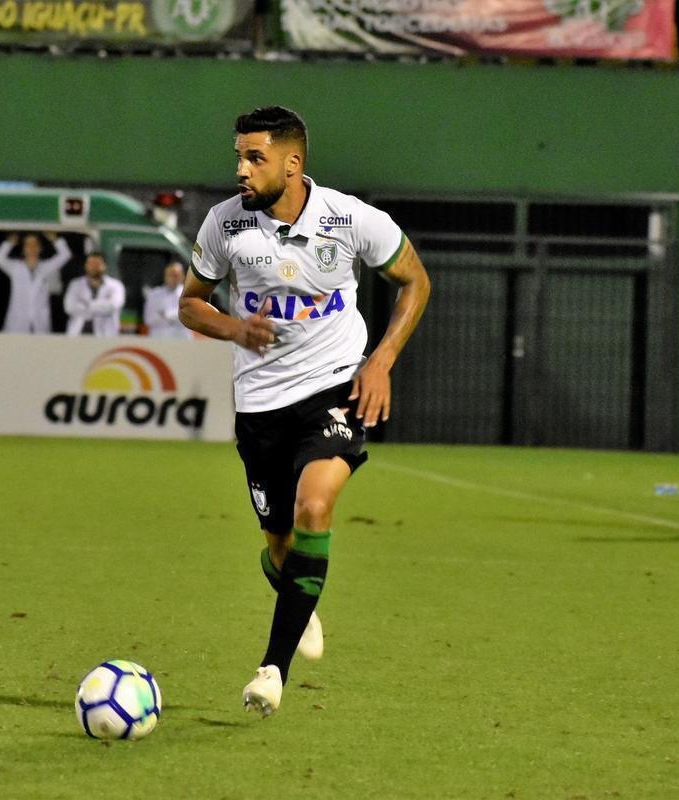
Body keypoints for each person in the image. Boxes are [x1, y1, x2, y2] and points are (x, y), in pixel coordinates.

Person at [179, 106, 431, 717]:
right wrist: (236, 329)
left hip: (334, 387)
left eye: (255, 158)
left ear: (292, 163)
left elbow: (415, 281)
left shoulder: (350, 219)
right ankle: (300, 597)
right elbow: (190, 304)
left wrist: (380, 361)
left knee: (314, 507)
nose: (241, 169)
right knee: (279, 545)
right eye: (239, 157)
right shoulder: (225, 223)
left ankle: (272, 670)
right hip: (260, 404)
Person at [0, 231, 72, 333]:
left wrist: (55, 240)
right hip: (17, 323)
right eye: (28, 244)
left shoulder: (47, 266)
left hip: (40, 322)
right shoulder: (15, 267)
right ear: (23, 249)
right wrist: (9, 243)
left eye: (35, 244)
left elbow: (66, 255)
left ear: (40, 248)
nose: (32, 247)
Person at [64, 252, 126, 337]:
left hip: (105, 335)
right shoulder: (75, 284)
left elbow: (112, 307)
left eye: (97, 264)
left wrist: (86, 304)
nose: (93, 267)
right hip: (77, 334)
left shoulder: (116, 286)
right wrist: (102, 305)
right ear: (86, 265)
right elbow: (69, 307)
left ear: (104, 266)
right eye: (90, 263)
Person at [142, 261, 193, 339]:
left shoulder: (189, 294)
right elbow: (149, 319)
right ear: (165, 276)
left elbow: (189, 318)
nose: (173, 278)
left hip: (182, 340)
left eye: (176, 275)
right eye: (170, 275)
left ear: (182, 276)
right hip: (158, 339)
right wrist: (175, 317)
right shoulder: (154, 294)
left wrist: (166, 314)